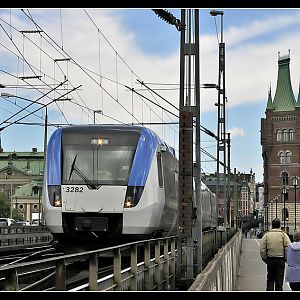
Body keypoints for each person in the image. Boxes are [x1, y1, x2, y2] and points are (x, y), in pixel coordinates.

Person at [259, 218, 291, 291]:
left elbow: (262, 250)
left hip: (271, 260)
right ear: (279, 225)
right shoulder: (283, 235)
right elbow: (288, 248)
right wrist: (286, 259)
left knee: (270, 280)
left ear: (272, 225)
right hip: (280, 260)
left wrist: (266, 259)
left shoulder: (267, 235)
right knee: (279, 282)